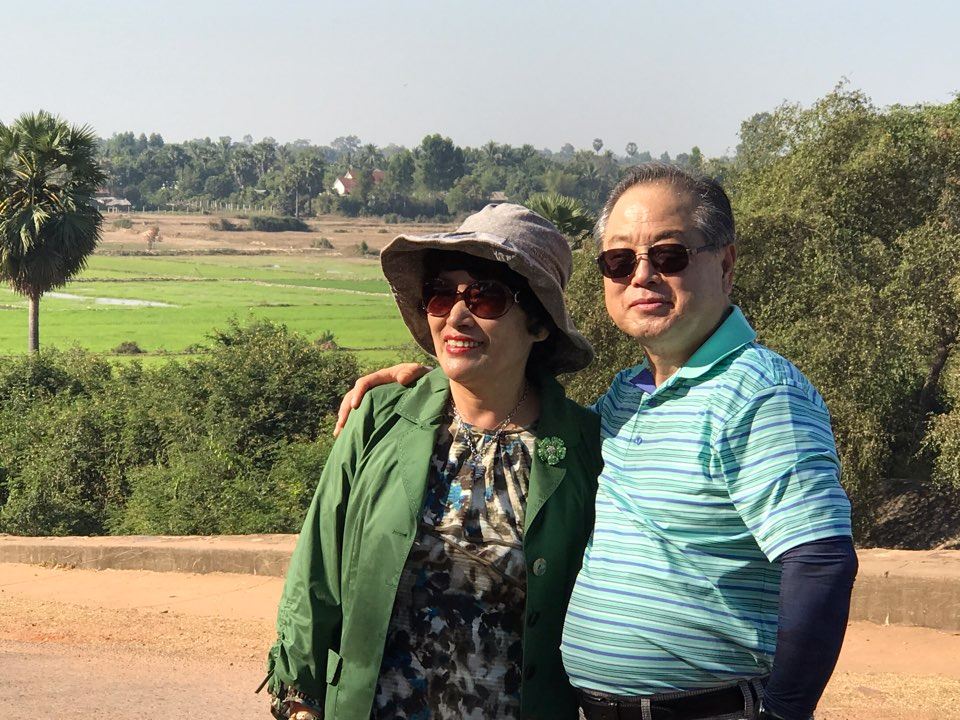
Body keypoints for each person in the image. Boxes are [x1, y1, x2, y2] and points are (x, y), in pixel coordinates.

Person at [335, 163, 858, 720]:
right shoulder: (627, 397)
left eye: (669, 256)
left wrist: (783, 714)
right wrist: (433, 385)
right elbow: (528, 417)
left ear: (725, 265)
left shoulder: (761, 394)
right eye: (619, 261)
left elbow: (820, 560)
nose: (642, 276)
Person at [264, 203, 603, 720]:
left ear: (538, 324)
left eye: (486, 297)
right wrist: (299, 702)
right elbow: (317, 573)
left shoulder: (583, 449)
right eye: (442, 295)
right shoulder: (381, 418)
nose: (456, 316)